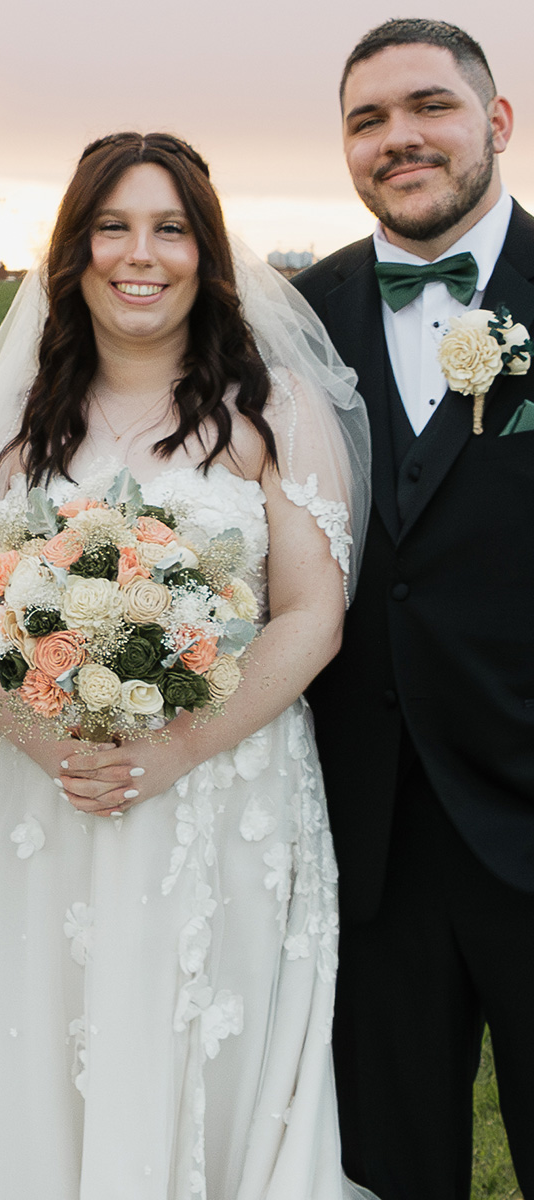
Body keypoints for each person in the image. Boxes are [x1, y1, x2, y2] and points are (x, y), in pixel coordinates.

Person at [0, 131, 375, 1199]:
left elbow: (312, 615)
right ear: (74, 250)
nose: (140, 254)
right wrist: (52, 747)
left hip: (223, 788)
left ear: (206, 251)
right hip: (48, 795)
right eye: (113, 227)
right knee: (47, 1041)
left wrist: (182, 745)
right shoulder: (11, 422)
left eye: (169, 228)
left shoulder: (268, 408)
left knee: (207, 1047)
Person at [292, 19, 534, 1200]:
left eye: (429, 106)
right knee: (387, 1175)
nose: (401, 139)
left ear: (496, 123)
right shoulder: (297, 318)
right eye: (368, 120)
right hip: (363, 838)